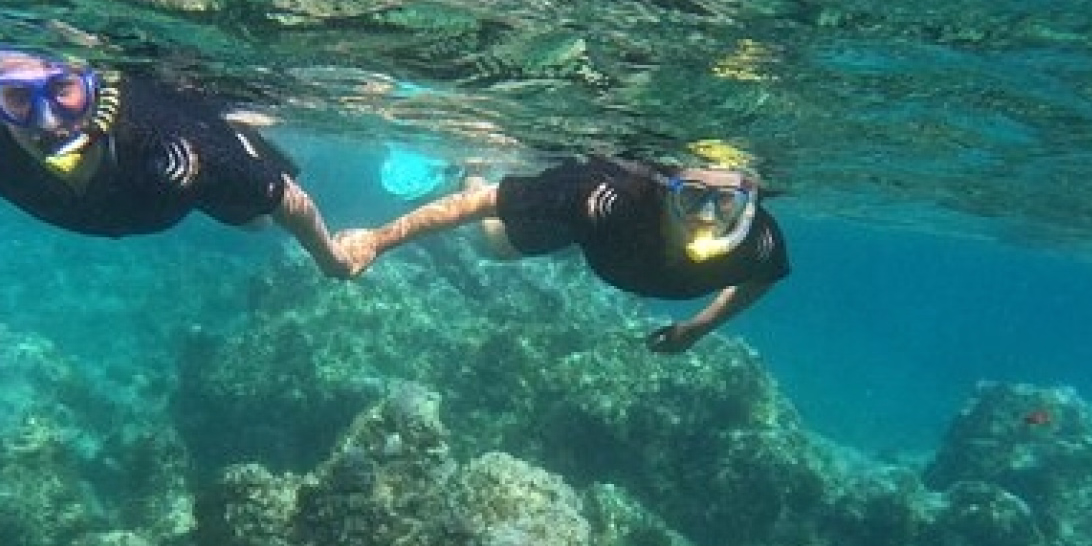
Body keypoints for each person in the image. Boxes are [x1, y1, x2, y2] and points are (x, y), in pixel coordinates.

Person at [0, 47, 356, 288]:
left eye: (65, 92)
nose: (48, 120)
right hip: (131, 203)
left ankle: (241, 129)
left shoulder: (173, 151)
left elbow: (285, 200)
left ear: (93, 86)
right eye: (17, 99)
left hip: (187, 155)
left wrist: (329, 257)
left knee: (254, 222)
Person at [334, 150, 789, 354]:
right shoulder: (605, 202)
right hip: (595, 234)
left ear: (748, 202)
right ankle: (471, 166)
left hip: (610, 253)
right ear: (666, 191)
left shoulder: (756, 241)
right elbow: (484, 204)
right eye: (691, 196)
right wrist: (378, 241)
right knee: (495, 245)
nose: (707, 216)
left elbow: (761, 279)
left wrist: (700, 327)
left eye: (725, 201)